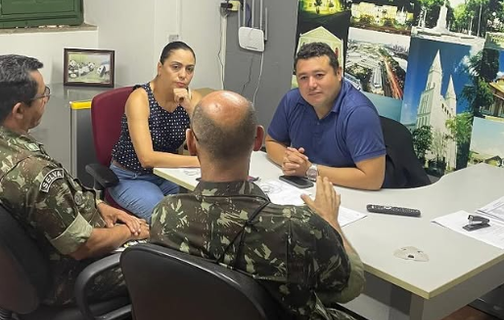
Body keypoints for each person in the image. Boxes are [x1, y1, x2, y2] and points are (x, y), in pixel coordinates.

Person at [150, 90, 365, 319]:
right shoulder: (296, 228)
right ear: (258, 140)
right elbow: (349, 285)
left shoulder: (166, 214)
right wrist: (330, 221)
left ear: (191, 142)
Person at [0, 54, 149, 306]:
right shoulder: (34, 172)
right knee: (164, 264)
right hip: (72, 277)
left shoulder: (13, 152)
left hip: (24, 274)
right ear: (19, 110)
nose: (46, 99)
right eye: (42, 95)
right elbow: (83, 247)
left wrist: (101, 206)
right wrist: (129, 232)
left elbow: (57, 198)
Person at [265, 42, 386, 190]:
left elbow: (373, 179)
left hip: (347, 193)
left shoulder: (359, 112)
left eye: (319, 75)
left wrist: (310, 170)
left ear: (339, 73)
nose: (311, 84)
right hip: (305, 189)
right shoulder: (292, 100)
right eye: (303, 77)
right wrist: (290, 161)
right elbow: (271, 142)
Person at [109, 41, 202, 221]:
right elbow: (147, 158)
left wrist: (191, 110)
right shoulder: (140, 98)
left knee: (206, 210)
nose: (183, 75)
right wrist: (199, 161)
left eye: (189, 69)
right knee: (169, 220)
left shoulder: (192, 98)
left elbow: (210, 147)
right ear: (160, 68)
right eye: (176, 67)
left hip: (169, 175)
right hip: (132, 177)